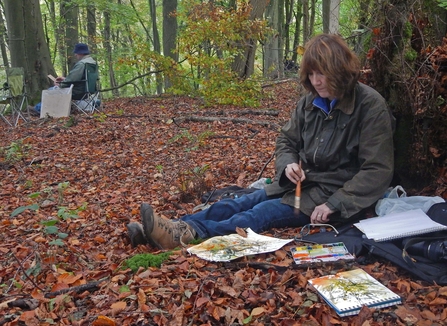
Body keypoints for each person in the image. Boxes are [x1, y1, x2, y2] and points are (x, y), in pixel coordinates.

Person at [127, 33, 395, 249]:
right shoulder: (309, 103)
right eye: (312, 74)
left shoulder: (370, 106)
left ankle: (187, 234)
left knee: (257, 214)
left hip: (332, 195)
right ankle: (169, 226)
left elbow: (376, 169)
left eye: (322, 74)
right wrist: (288, 165)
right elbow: (287, 140)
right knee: (236, 202)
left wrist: (335, 204)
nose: (316, 81)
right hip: (301, 185)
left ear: (339, 69)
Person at [30, 43, 97, 115]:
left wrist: (60, 84)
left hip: (78, 92)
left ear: (81, 53)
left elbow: (72, 79)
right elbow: (82, 79)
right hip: (88, 90)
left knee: (52, 90)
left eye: (76, 53)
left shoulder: (81, 64)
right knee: (54, 89)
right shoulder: (92, 63)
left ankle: (38, 109)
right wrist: (64, 79)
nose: (75, 55)